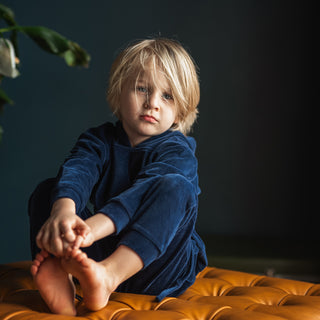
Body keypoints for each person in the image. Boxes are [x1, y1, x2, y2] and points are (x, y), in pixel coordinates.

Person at [28, 37, 207, 316]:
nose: (152, 104)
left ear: (180, 111)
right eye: (142, 89)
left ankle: (108, 276)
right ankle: (64, 283)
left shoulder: (178, 152)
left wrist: (90, 230)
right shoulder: (99, 140)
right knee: (49, 191)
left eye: (167, 96)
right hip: (99, 254)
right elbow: (78, 170)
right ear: (119, 91)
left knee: (175, 187)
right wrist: (64, 213)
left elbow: (141, 196)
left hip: (160, 266)